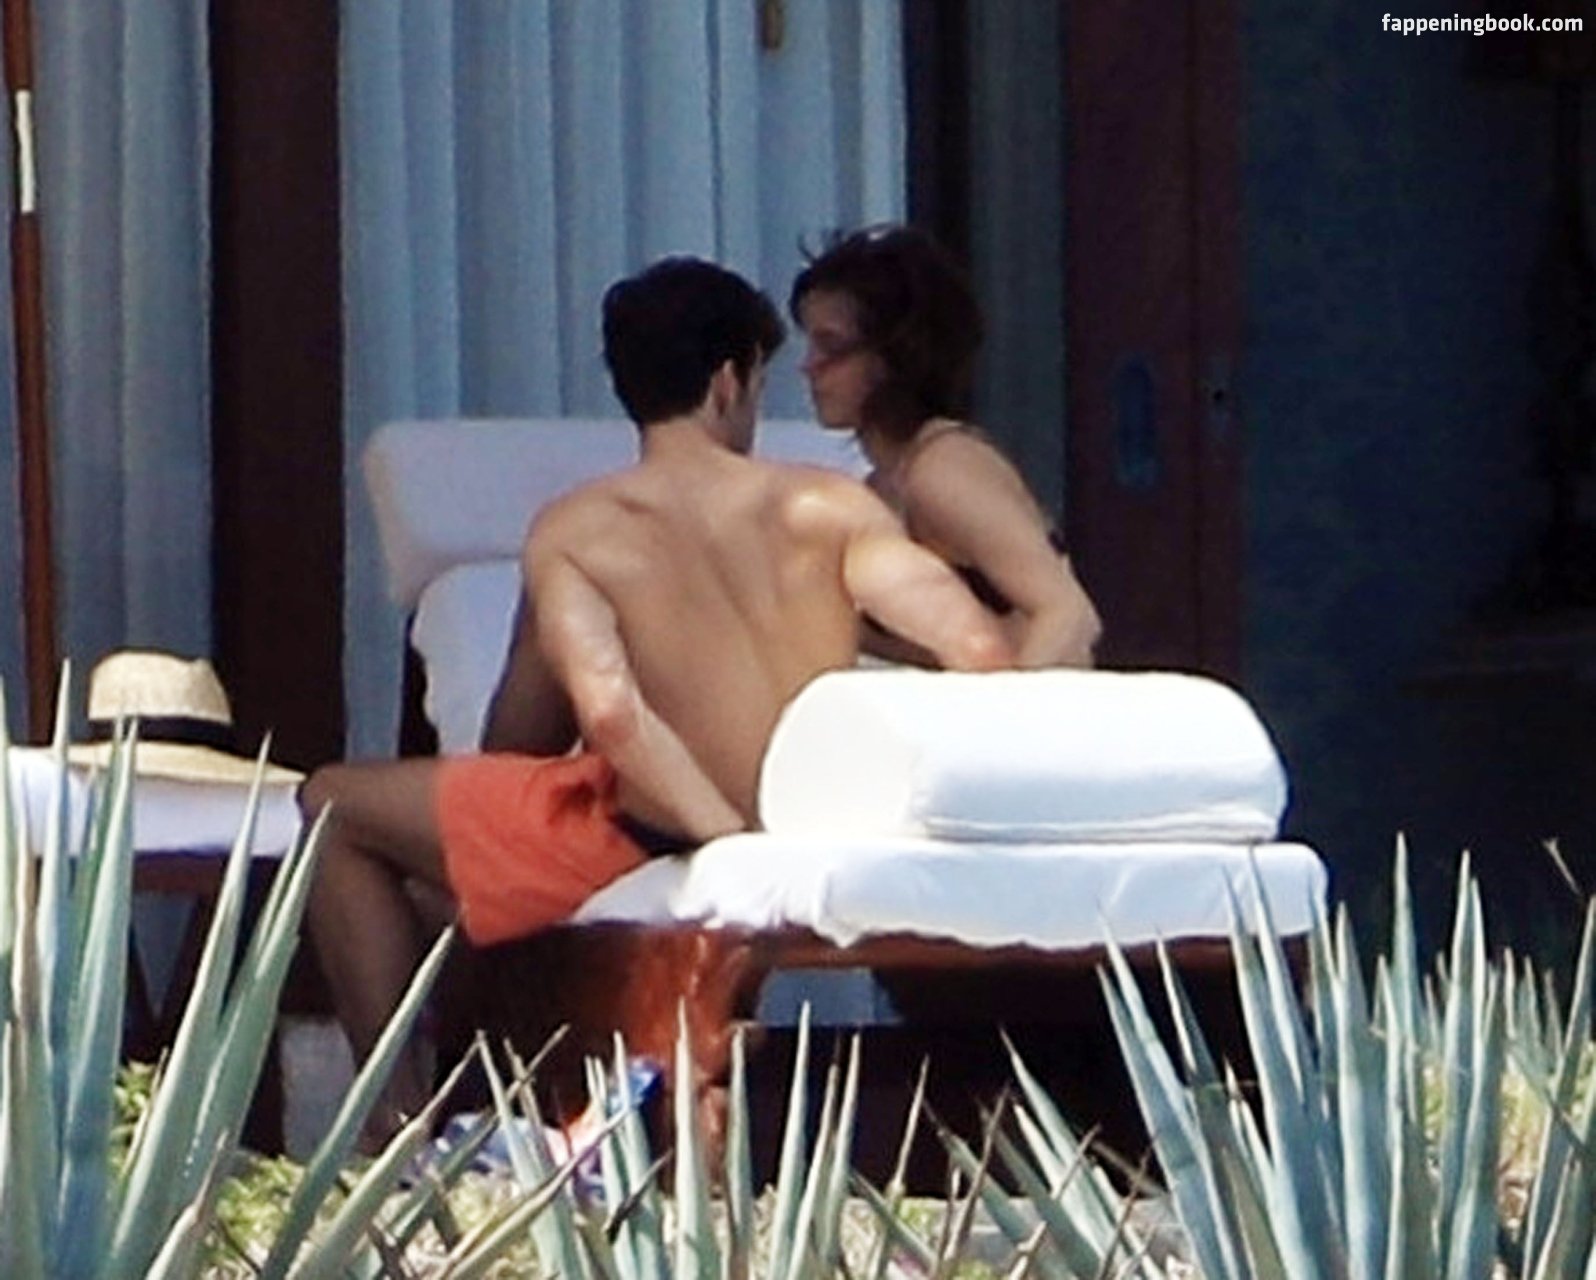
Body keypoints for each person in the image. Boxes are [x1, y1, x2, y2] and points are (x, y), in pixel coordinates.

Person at [301, 257, 1012, 1144]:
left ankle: (399, 1129)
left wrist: (723, 839)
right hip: (802, 815)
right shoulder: (829, 510)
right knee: (466, 884)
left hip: (657, 829)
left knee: (334, 803)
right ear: (729, 381)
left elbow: (595, 719)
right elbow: (978, 649)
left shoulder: (580, 530)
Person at [789, 224, 1102, 669]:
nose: (808, 367)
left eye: (831, 346)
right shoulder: (885, 485)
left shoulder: (942, 470)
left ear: (893, 355)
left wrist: (1006, 707)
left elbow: (1068, 614)